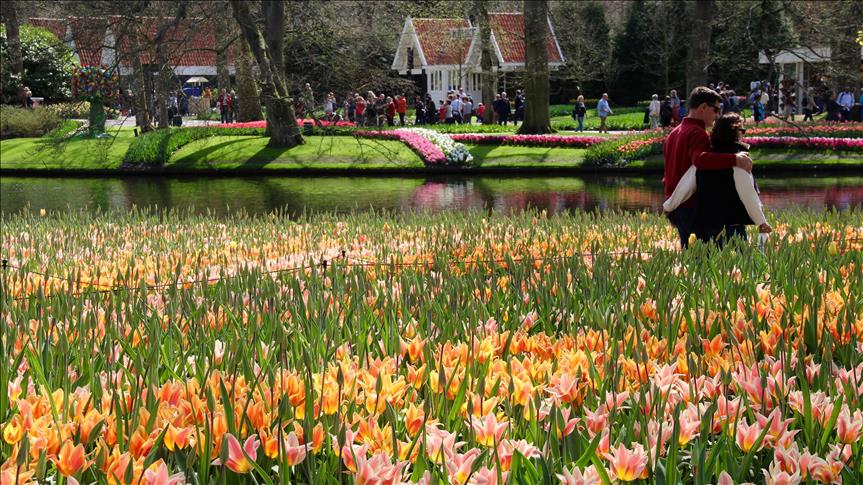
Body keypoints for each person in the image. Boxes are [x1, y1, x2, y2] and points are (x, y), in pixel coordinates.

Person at [663, 86, 753, 249]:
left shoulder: (674, 133)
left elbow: (668, 173)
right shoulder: (697, 132)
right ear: (703, 107)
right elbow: (701, 160)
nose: (717, 115)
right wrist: (735, 158)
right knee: (703, 259)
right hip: (692, 205)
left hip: (675, 204)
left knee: (690, 257)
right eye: (716, 109)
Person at [664, 113, 771, 245]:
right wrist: (761, 222)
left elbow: (686, 186)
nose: (743, 134)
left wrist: (668, 206)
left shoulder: (707, 159)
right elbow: (748, 194)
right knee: (737, 263)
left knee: (711, 260)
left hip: (708, 224)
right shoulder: (738, 161)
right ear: (733, 132)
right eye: (742, 130)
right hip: (732, 224)